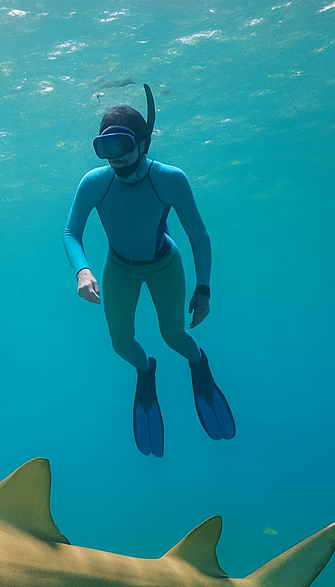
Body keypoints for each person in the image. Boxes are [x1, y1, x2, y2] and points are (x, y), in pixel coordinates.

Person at [63, 85, 234, 458]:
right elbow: (71, 232)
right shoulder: (95, 182)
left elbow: (198, 235)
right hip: (118, 268)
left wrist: (203, 290)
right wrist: (82, 271)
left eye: (123, 145)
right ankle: (146, 371)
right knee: (121, 344)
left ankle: (198, 364)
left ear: (143, 143)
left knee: (174, 336)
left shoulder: (170, 179)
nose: (116, 159)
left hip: (164, 265)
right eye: (106, 148)